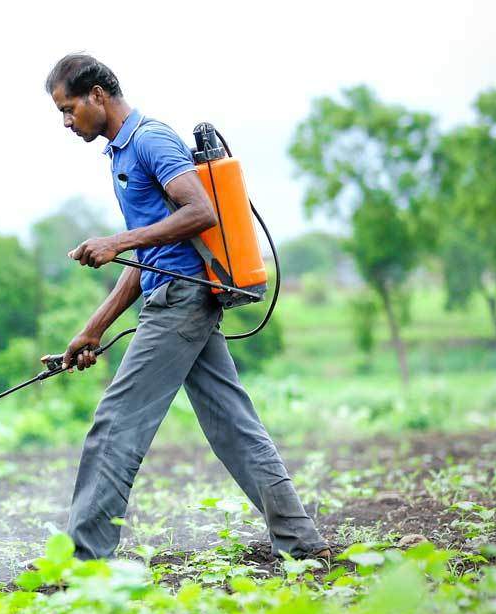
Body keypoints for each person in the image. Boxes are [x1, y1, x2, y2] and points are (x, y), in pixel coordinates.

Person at [44, 53, 329, 563]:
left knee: (115, 423)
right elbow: (151, 254)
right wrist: (92, 329)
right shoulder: (120, 154)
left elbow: (201, 212)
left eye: (68, 109)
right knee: (234, 427)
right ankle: (302, 543)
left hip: (180, 302)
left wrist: (117, 240)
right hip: (177, 297)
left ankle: (84, 561)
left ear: (98, 96)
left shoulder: (150, 139)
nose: (67, 122)